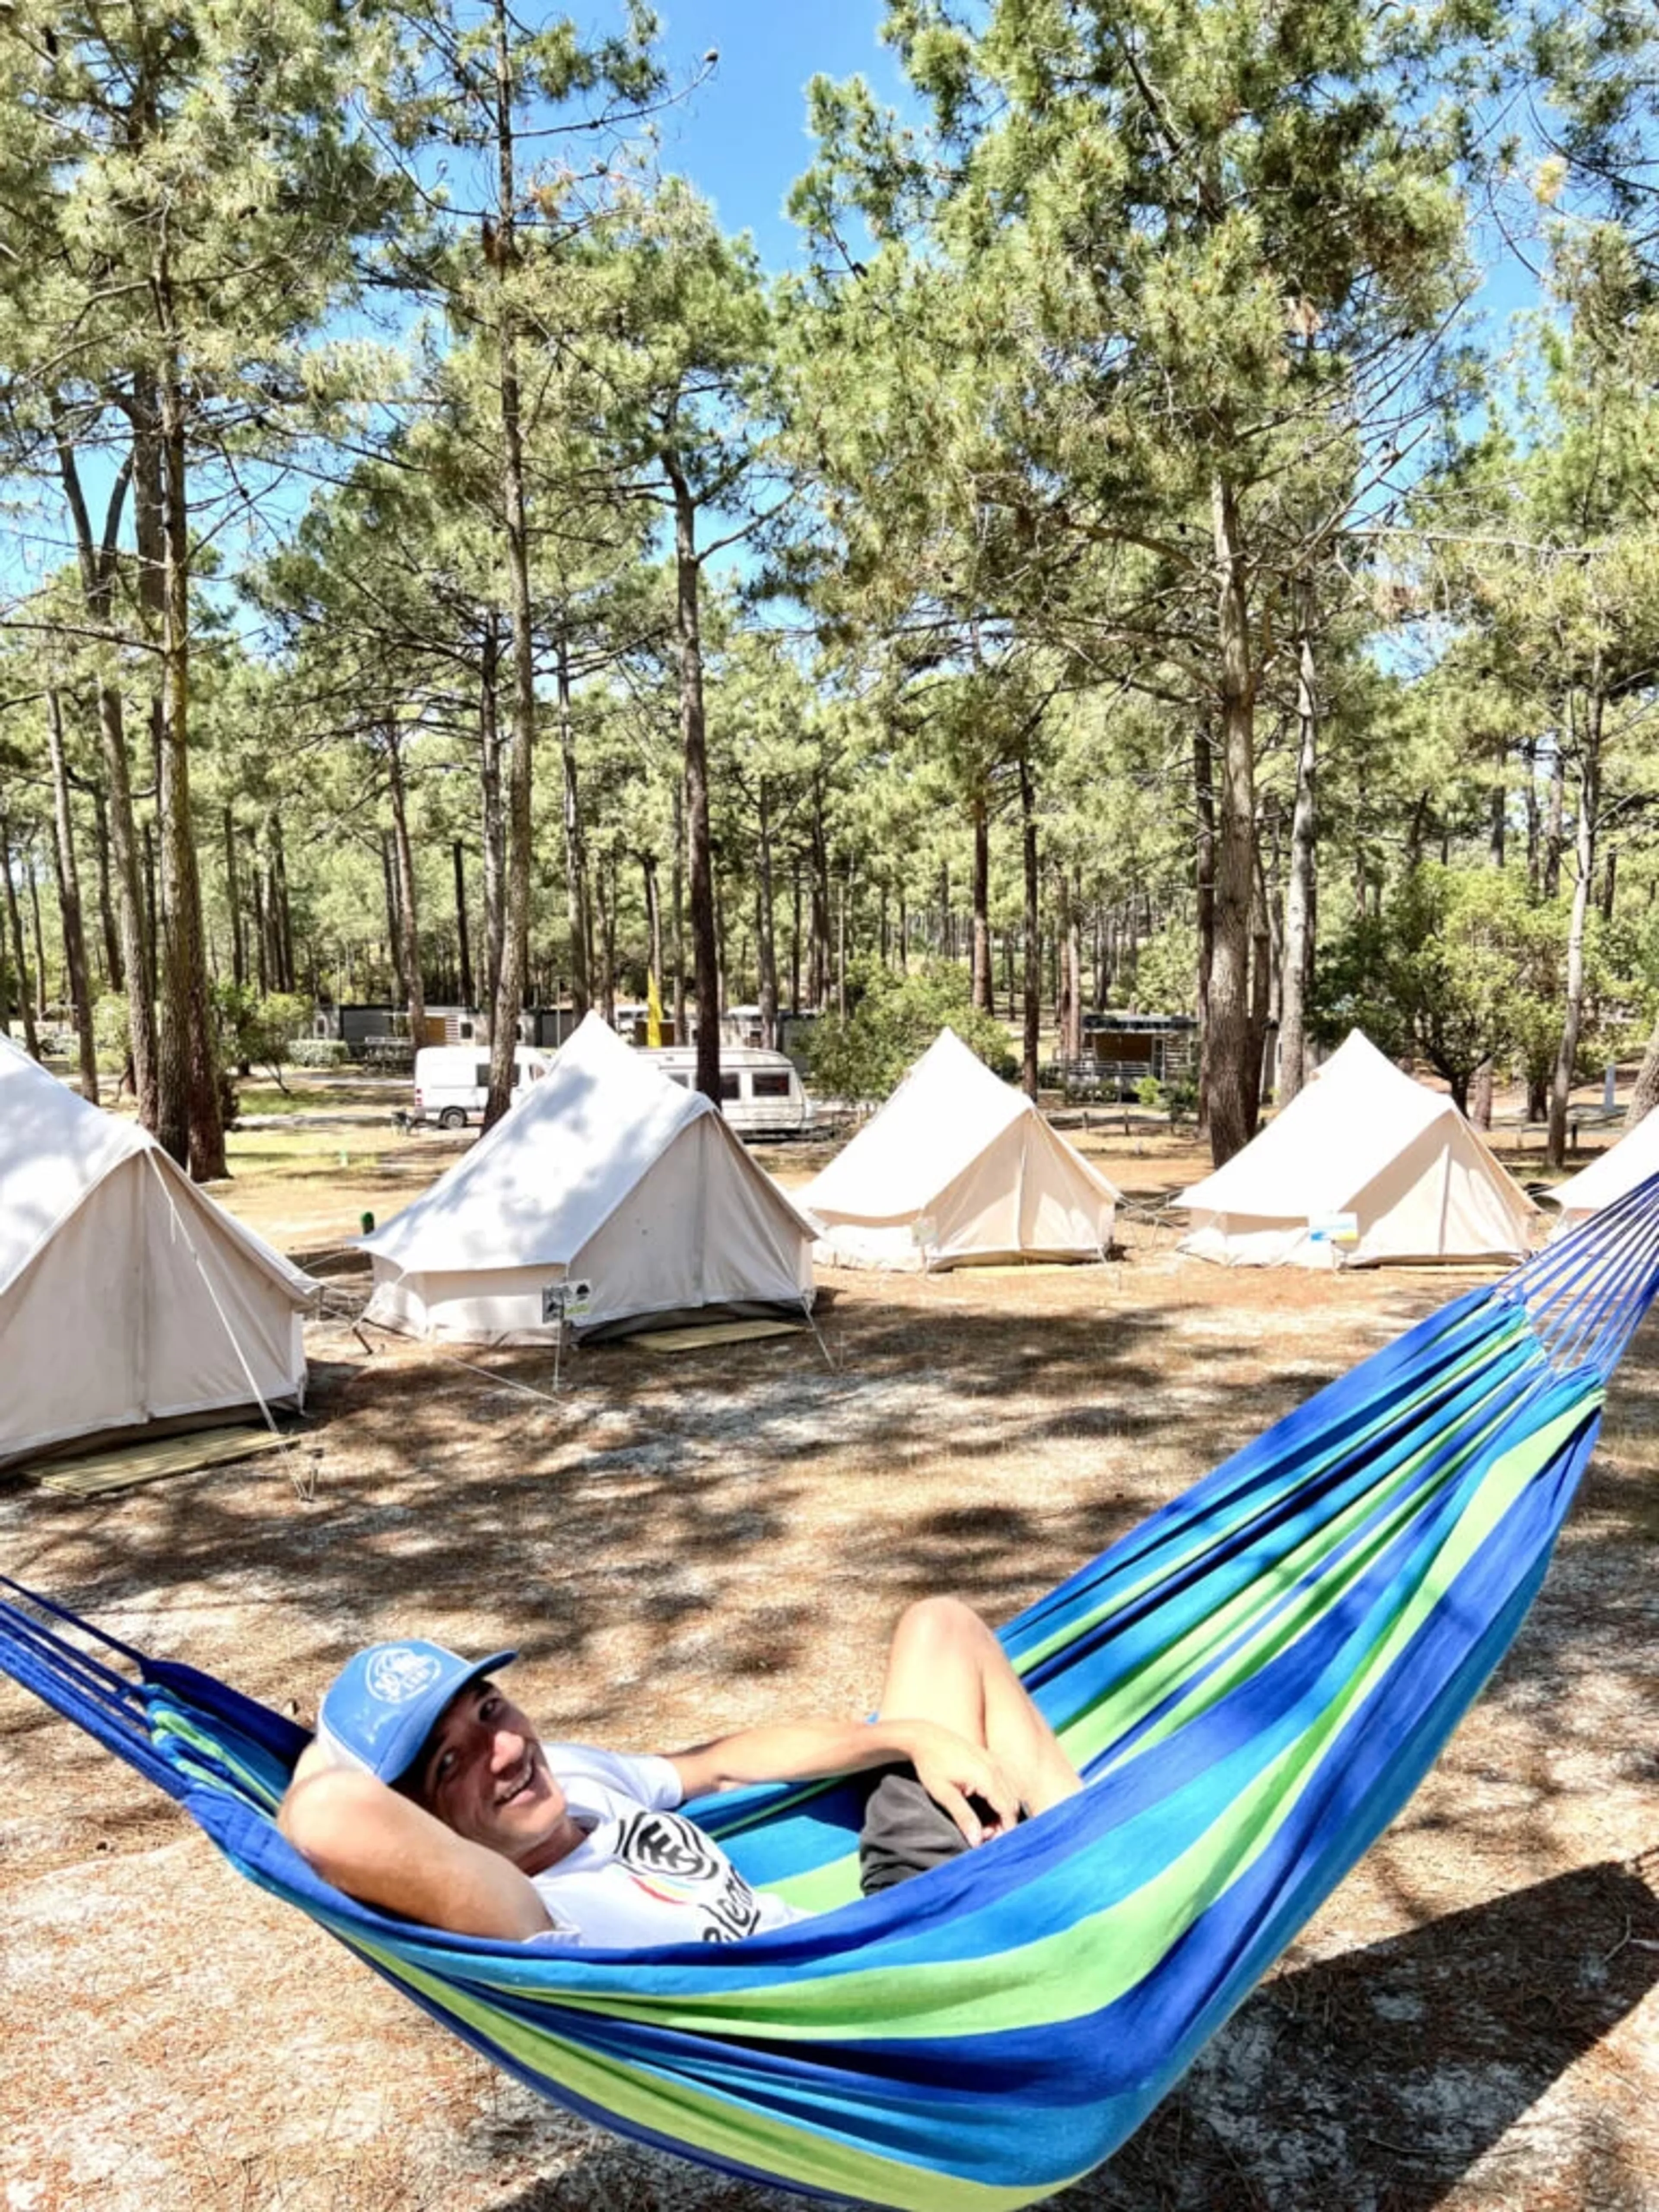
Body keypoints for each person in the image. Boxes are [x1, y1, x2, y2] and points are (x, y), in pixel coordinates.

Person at [277, 1596, 1084, 1947]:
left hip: (886, 1920)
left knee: (941, 1627)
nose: (510, 1750)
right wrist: (334, 1746)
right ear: (422, 1820)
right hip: (895, 1991)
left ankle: (1101, 1865)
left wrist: (911, 1737)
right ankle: (1105, 1884)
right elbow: (324, 1816)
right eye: (451, 1762)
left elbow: (723, 1766)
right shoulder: (526, 1915)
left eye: (491, 1710)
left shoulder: (580, 1780)